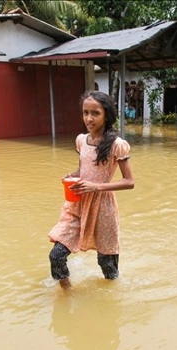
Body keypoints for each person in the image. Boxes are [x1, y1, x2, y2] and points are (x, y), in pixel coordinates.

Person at [48, 91, 135, 288]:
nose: (89, 118)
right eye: (85, 113)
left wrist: (95, 186)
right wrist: (72, 175)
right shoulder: (81, 140)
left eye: (95, 113)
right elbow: (84, 168)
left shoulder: (117, 145)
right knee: (57, 255)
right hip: (78, 204)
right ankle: (67, 296)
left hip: (103, 208)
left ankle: (111, 301)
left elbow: (129, 182)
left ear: (106, 115)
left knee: (107, 266)